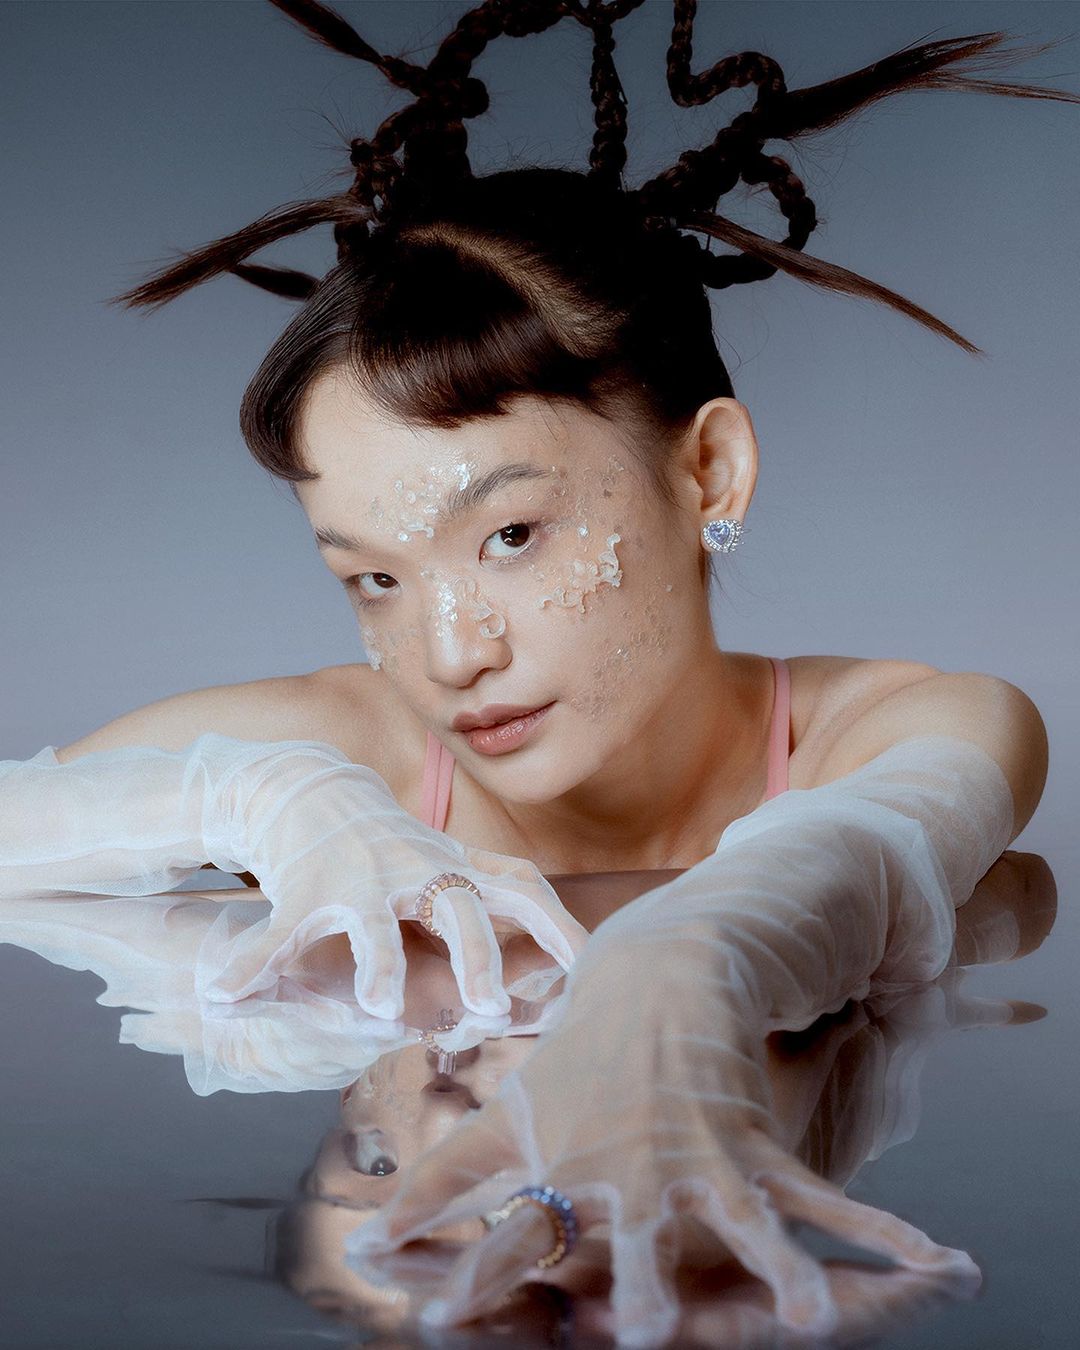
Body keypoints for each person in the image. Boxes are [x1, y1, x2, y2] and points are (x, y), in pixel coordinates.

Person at [0, 0, 1067, 1343]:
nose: (451, 654)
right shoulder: (356, 754)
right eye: (375, 578)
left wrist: (670, 977)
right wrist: (272, 799)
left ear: (708, 470)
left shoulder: (903, 722)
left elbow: (859, 855)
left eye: (509, 535)